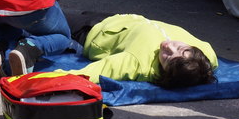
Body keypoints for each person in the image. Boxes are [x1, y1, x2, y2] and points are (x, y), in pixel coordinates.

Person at [62, 12, 217, 88]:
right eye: (181, 48)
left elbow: (93, 72)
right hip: (121, 18)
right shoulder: (205, 54)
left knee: (46, 11)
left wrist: (48, 79)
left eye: (167, 57)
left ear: (164, 71)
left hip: (89, 30)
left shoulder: (137, 63)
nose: (168, 46)